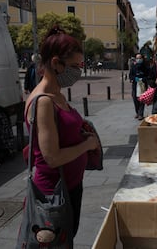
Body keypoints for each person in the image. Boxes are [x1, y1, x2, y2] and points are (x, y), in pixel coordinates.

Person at [23, 25, 100, 239]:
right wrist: (87, 145)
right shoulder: (43, 101)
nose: (79, 71)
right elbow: (52, 157)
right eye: (75, 66)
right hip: (53, 194)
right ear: (56, 63)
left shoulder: (57, 94)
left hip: (70, 186)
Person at [129, 53, 149, 120]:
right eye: (137, 58)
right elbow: (130, 75)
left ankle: (141, 114)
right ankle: (137, 112)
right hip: (135, 85)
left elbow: (148, 76)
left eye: (140, 58)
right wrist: (134, 78)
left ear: (142, 59)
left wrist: (143, 79)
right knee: (135, 99)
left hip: (142, 85)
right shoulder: (133, 67)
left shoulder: (145, 67)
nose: (139, 59)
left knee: (141, 100)